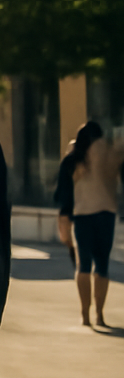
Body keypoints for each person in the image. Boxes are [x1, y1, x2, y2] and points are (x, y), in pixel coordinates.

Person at [69, 120, 124, 328]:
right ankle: (100, 315)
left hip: (82, 212)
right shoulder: (111, 150)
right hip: (106, 212)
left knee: (83, 264)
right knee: (102, 265)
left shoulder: (74, 150)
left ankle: (85, 315)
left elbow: (68, 180)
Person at [55, 136, 79, 267]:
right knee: (67, 236)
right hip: (69, 205)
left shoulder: (73, 163)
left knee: (68, 236)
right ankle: (74, 253)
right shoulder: (67, 163)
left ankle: (75, 254)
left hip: (71, 205)